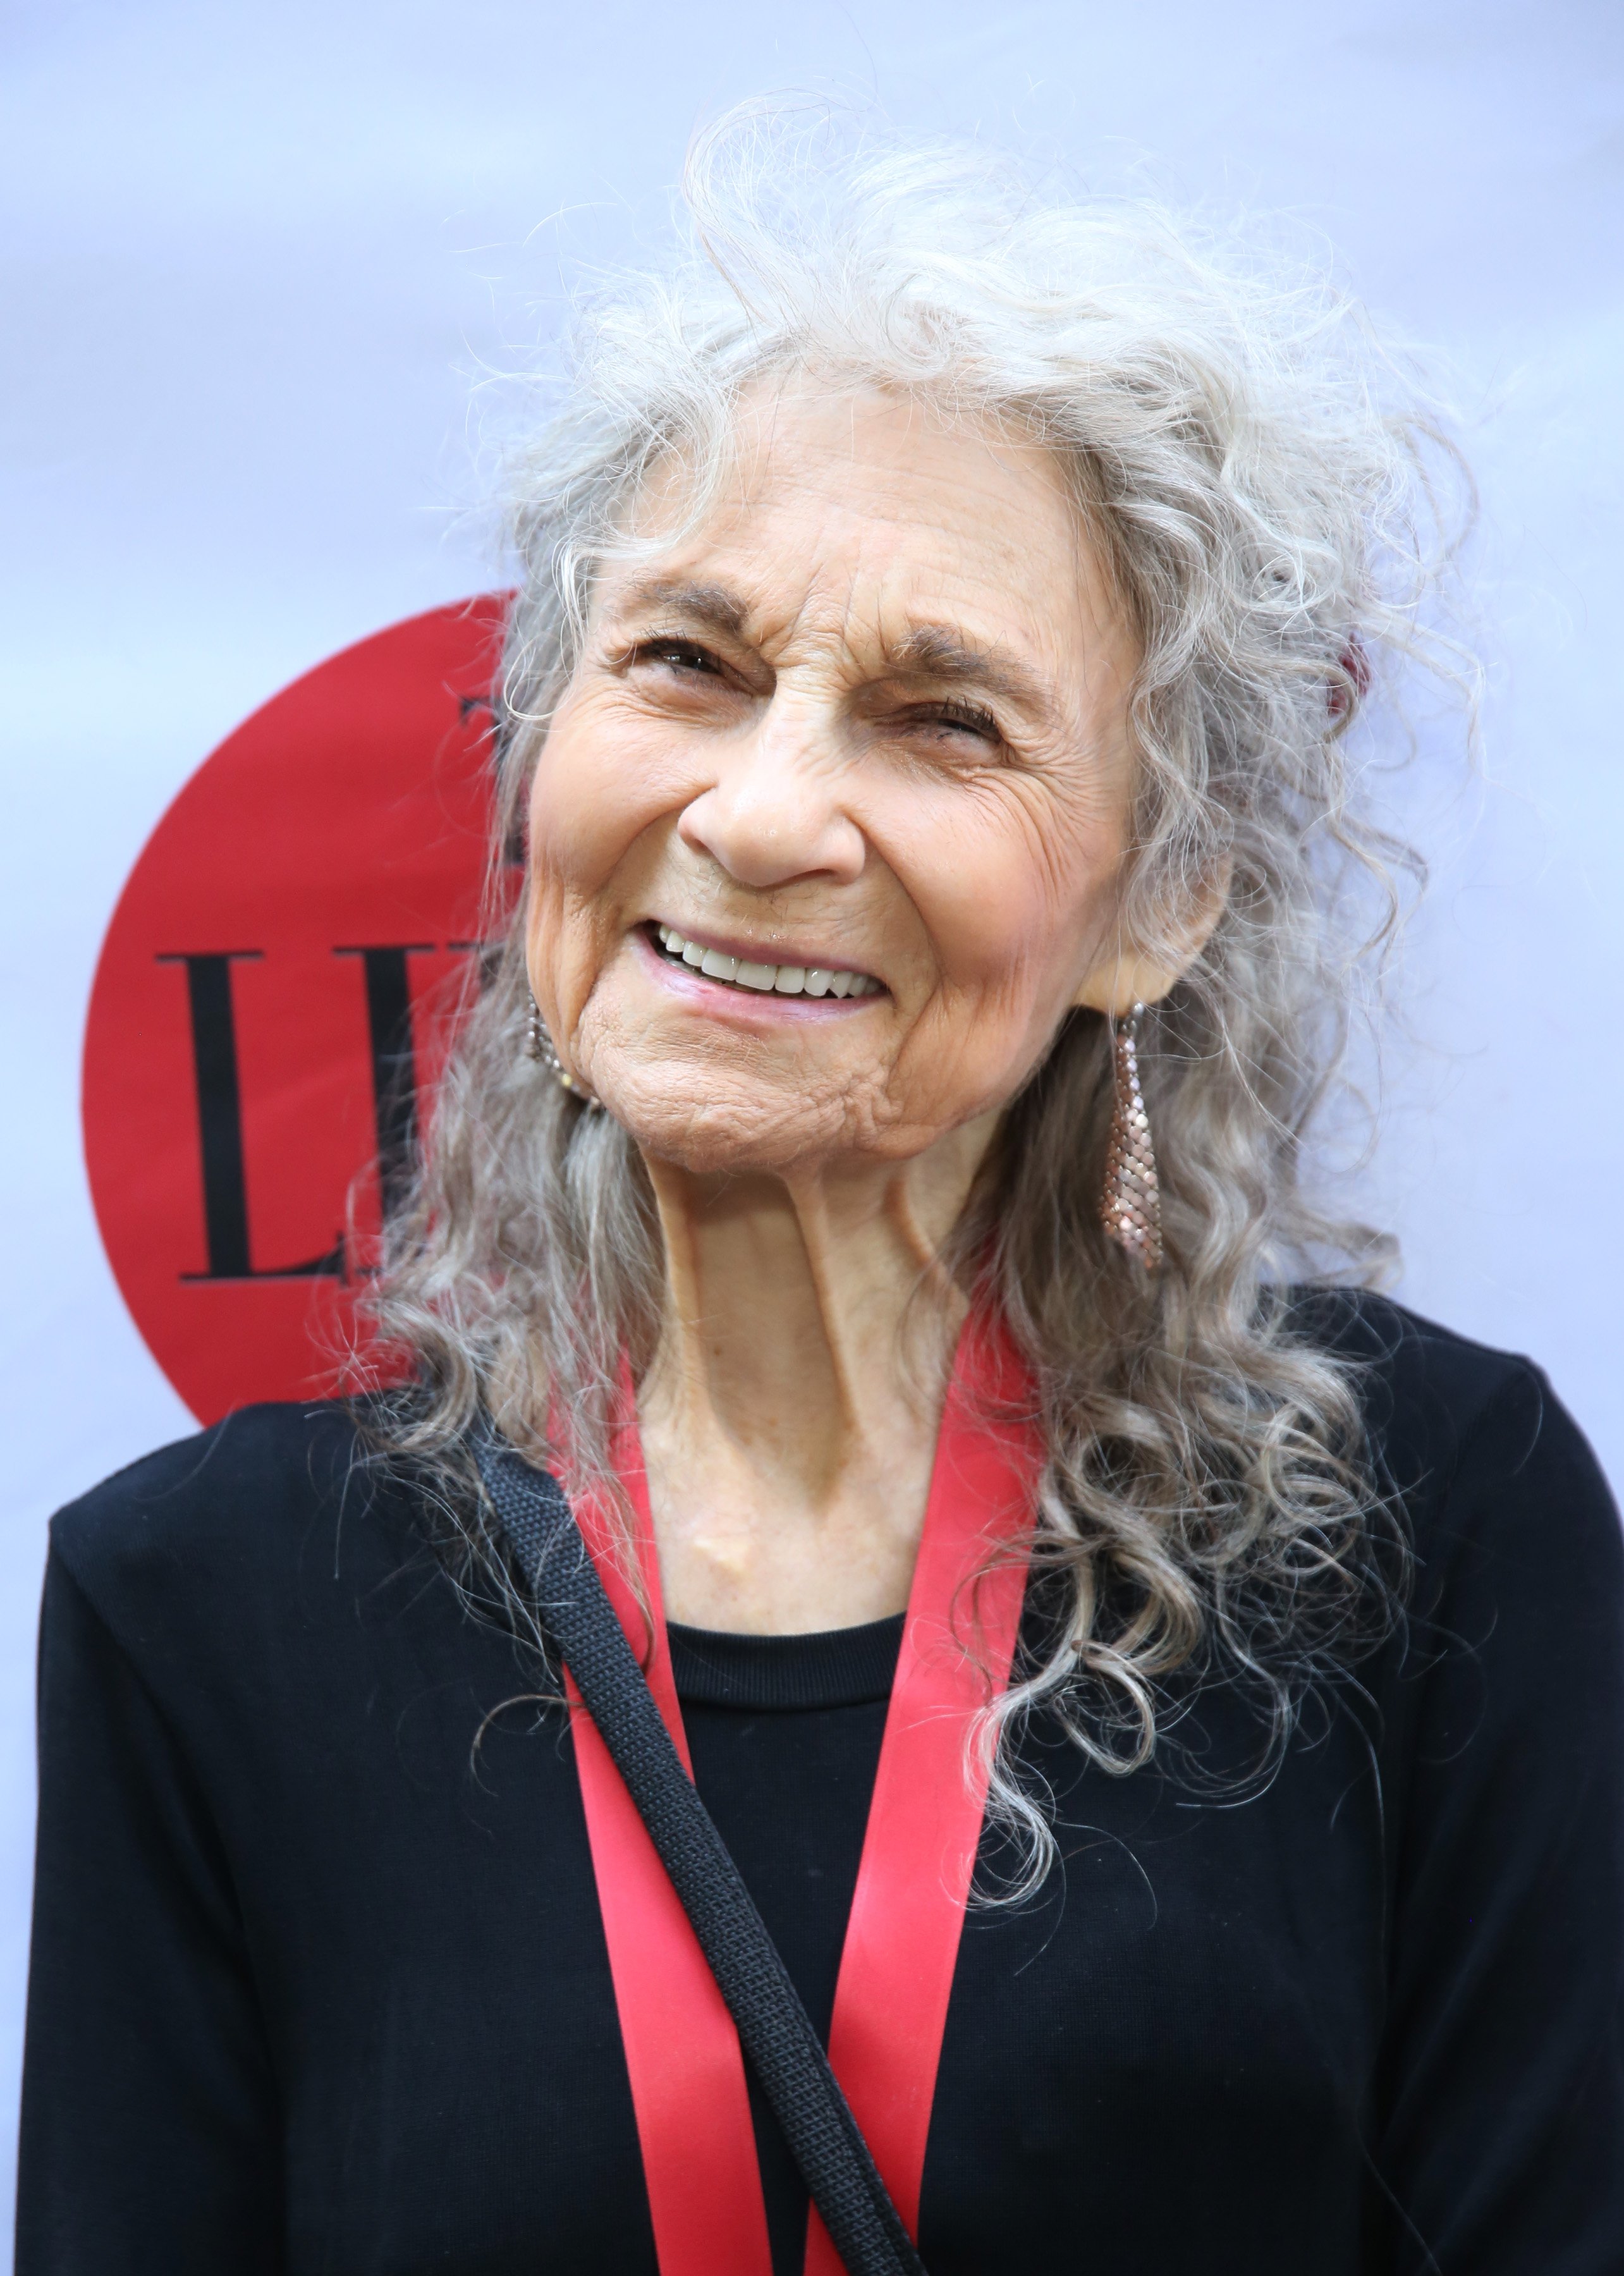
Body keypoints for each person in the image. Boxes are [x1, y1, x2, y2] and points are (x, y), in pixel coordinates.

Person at [18, 115, 1623, 2276]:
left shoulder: (1441, 1526)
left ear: (1154, 912)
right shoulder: (198, 1603)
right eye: (682, 661)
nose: (765, 813)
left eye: (940, 720)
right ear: (540, 754)